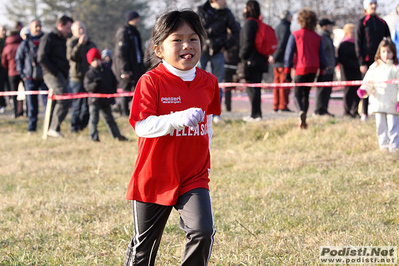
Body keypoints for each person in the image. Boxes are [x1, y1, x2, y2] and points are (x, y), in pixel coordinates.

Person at [124, 10, 220, 266]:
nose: (187, 45)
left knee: (202, 231)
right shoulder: (150, 82)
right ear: (159, 50)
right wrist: (176, 119)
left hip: (193, 175)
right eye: (177, 39)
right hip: (155, 175)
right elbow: (141, 127)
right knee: (144, 247)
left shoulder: (209, 82)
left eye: (193, 38)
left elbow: (208, 122)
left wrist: (206, 152)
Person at [284, 8, 327, 129]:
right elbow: (322, 56)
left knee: (297, 94)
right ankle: (304, 118)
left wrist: (287, 71)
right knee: (306, 94)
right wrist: (322, 72)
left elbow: (289, 54)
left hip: (300, 68)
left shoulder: (296, 35)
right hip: (313, 69)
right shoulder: (317, 37)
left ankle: (300, 113)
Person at [197, 0, 240, 117]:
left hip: (218, 51)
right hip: (202, 50)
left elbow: (236, 32)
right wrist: (199, 44)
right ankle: (197, 111)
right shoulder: (201, 10)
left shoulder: (227, 13)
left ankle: (216, 113)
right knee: (196, 80)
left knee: (218, 83)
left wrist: (225, 46)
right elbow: (196, 30)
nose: (225, 1)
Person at [357, 38, 399, 153]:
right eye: (384, 51)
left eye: (389, 52)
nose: (386, 54)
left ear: (393, 52)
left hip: (392, 104)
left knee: (393, 126)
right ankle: (383, 146)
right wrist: (364, 90)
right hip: (378, 102)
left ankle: (394, 147)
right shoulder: (374, 67)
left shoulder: (396, 68)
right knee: (380, 126)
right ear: (379, 52)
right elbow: (369, 81)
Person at [38, 15, 74, 138]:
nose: (69, 31)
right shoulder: (48, 38)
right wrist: (54, 71)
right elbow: (41, 57)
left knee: (55, 101)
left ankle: (50, 128)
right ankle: (53, 128)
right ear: (60, 25)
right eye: (67, 28)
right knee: (63, 98)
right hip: (51, 73)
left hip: (62, 74)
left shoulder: (64, 40)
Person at [356, 0, 390, 121]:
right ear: (366, 7)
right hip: (367, 60)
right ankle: (364, 113)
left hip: (381, 60)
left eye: (375, 4)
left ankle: (382, 110)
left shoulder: (382, 23)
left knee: (382, 85)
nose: (374, 6)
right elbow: (358, 44)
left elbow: (388, 41)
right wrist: (362, 63)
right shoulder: (362, 23)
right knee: (366, 85)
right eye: (371, 4)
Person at [83, 48, 127, 142]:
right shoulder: (89, 74)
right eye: (93, 60)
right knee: (94, 120)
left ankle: (117, 136)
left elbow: (113, 82)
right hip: (94, 101)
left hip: (105, 101)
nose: (95, 62)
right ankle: (94, 137)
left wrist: (113, 94)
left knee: (110, 119)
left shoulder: (107, 71)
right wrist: (95, 84)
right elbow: (87, 87)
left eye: (96, 59)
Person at [15, 19, 48, 134]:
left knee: (47, 103)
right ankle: (32, 128)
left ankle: (48, 127)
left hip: (44, 77)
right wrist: (23, 75)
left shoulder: (46, 40)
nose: (38, 28)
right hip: (30, 78)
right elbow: (19, 59)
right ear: (30, 28)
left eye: (40, 26)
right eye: (36, 26)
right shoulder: (25, 43)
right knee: (32, 105)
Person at [239, 0, 269, 122]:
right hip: (260, 60)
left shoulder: (249, 24)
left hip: (251, 61)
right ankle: (257, 114)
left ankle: (255, 115)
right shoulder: (259, 23)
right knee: (256, 89)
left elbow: (247, 43)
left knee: (252, 89)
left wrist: (241, 56)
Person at [113, 10, 145, 117]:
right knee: (126, 89)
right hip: (127, 67)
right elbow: (121, 53)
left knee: (136, 89)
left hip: (136, 66)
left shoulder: (134, 32)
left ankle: (133, 111)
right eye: (137, 18)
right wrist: (124, 69)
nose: (139, 20)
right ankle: (124, 112)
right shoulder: (124, 32)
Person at [67, 21, 96, 133]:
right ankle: (74, 127)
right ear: (73, 31)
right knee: (77, 105)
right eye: (78, 29)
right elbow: (71, 57)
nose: (81, 30)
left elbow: (95, 54)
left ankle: (83, 126)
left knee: (87, 105)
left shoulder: (90, 43)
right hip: (76, 78)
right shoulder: (71, 42)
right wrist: (79, 44)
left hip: (88, 77)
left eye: (82, 28)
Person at [269, 10, 292, 113]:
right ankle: (282, 105)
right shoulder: (286, 28)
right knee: (283, 84)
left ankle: (275, 105)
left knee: (276, 84)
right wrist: (276, 56)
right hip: (283, 61)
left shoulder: (277, 27)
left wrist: (273, 56)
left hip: (276, 61)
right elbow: (282, 45)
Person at [338, 23, 362, 118]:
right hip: (347, 71)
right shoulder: (344, 44)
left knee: (357, 91)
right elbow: (343, 59)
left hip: (357, 71)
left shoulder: (357, 44)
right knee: (348, 92)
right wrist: (355, 64)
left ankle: (355, 110)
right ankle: (347, 111)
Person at [314, 18, 336, 117]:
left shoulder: (327, 37)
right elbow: (321, 53)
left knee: (327, 91)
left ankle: (324, 109)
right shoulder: (322, 37)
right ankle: (319, 110)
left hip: (330, 68)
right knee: (322, 90)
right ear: (324, 26)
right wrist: (325, 65)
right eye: (329, 26)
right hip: (324, 69)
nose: (331, 28)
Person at [1, 25, 23, 118]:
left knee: (14, 93)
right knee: (24, 93)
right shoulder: (22, 44)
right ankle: (23, 111)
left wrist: (8, 67)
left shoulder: (7, 47)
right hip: (23, 72)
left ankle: (15, 112)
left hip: (11, 73)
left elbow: (3, 61)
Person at [223, 24, 240, 112]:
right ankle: (228, 106)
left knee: (228, 87)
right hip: (235, 65)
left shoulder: (226, 37)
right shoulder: (239, 38)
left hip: (227, 64)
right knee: (230, 87)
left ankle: (228, 106)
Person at [0, 25, 8, 113]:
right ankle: (2, 104)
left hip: (8, 68)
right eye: (2, 30)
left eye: (5, 30)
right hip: (0, 69)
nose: (4, 31)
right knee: (1, 88)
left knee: (10, 88)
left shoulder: (8, 40)